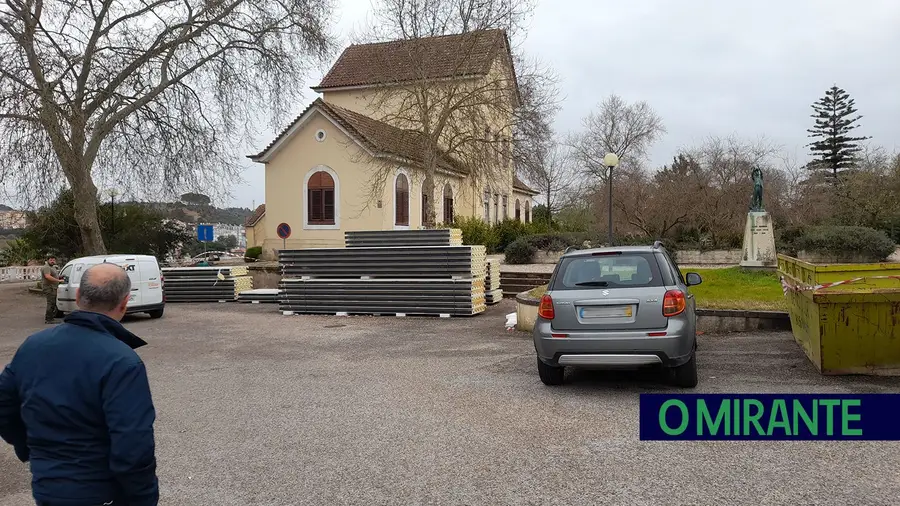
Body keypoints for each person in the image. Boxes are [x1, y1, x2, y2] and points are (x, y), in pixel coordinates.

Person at [0, 263, 159, 506]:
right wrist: (142, 497)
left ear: (77, 297)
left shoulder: (33, 345)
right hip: (99, 492)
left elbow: (4, 405)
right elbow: (133, 444)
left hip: (47, 486)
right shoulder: (122, 362)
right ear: (125, 302)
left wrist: (30, 448)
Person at [40, 256, 63, 324]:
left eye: (53, 260)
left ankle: (51, 317)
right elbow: (48, 276)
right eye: (51, 260)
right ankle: (49, 319)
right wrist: (58, 280)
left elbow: (53, 275)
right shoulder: (46, 267)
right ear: (47, 260)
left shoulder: (52, 267)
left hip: (53, 287)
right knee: (51, 303)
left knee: (53, 303)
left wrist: (60, 277)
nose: (52, 261)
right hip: (49, 288)